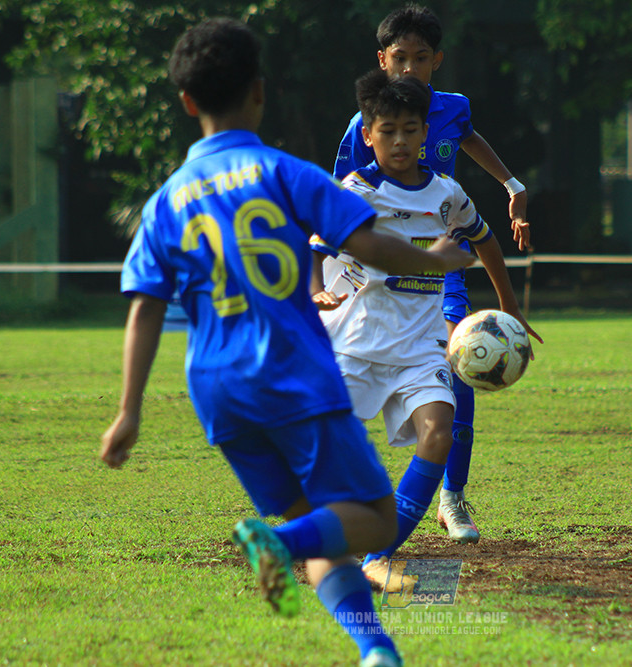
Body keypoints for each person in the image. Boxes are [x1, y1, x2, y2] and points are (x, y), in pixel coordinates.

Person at [99, 18, 472, 667]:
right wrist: (438, 259)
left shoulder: (166, 200)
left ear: (187, 103)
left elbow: (144, 308)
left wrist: (129, 410)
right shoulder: (283, 172)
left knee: (324, 530)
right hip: (291, 370)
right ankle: (278, 544)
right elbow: (370, 245)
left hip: (217, 390)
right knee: (375, 519)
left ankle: (376, 648)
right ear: (260, 92)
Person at [312, 69, 541, 592]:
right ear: (367, 135)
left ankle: (377, 557)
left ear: (424, 135)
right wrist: (313, 291)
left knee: (438, 433)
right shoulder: (355, 191)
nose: (399, 140)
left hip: (420, 347)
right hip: (358, 343)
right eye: (387, 130)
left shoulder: (447, 194)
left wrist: (508, 307)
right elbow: (318, 246)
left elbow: (483, 239)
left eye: (410, 130)